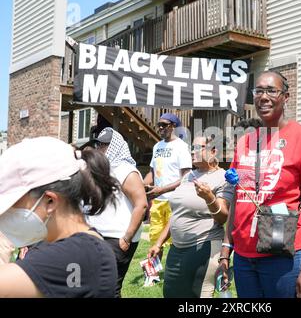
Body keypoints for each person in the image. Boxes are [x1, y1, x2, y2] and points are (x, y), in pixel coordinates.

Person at [220, 70, 301, 298]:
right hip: (243, 257)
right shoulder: (246, 142)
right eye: (258, 90)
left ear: (286, 97)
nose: (263, 96)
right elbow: (239, 198)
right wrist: (226, 249)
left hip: (283, 255)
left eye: (271, 90)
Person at [0, 137, 118, 297]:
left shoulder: (82, 253)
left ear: (50, 201)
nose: (3, 215)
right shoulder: (54, 246)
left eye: (11, 205)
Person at [148, 135, 234, 297]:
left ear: (213, 151)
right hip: (177, 249)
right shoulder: (189, 176)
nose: (192, 152)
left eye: (197, 148)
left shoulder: (223, 178)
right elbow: (177, 214)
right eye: (191, 148)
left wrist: (209, 197)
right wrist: (159, 243)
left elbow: (222, 217)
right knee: (171, 293)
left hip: (203, 246)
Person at [85, 127, 148, 298]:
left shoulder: (126, 170)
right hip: (97, 236)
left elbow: (141, 205)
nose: (100, 149)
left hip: (117, 239)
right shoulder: (101, 170)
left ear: (115, 146)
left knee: (110, 288)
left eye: (104, 145)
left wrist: (126, 238)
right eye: (98, 144)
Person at [144, 113, 192, 261]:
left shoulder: (181, 147)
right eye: (159, 125)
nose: (160, 128)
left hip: (174, 200)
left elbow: (186, 177)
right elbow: (152, 172)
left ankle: (173, 270)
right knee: (156, 237)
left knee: (175, 239)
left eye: (164, 125)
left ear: (173, 127)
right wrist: (143, 186)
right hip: (158, 201)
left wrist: (163, 190)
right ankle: (153, 274)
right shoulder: (157, 146)